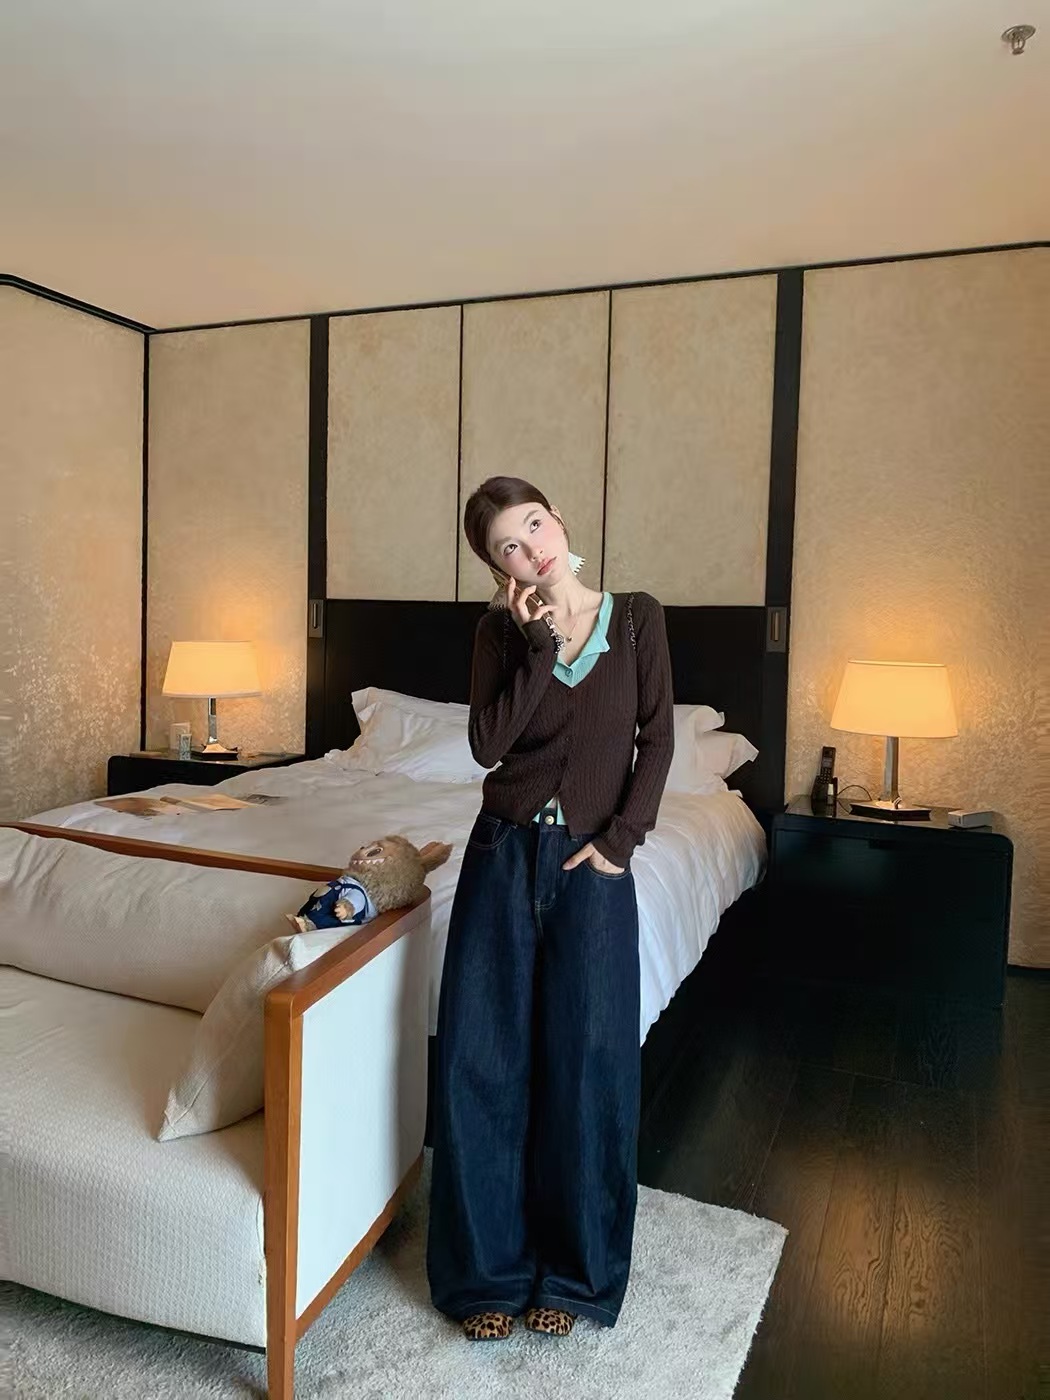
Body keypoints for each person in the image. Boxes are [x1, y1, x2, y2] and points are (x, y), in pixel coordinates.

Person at [425, 475, 674, 1341]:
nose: (533, 548)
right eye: (510, 546)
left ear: (558, 516)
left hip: (592, 867)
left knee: (591, 1066)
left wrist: (622, 843)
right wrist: (535, 642)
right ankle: (486, 1277)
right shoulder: (499, 633)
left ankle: (574, 1278)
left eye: (534, 525)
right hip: (501, 857)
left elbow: (658, 739)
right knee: (482, 1063)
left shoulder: (636, 619)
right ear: (501, 567)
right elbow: (487, 744)